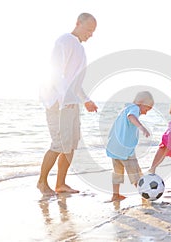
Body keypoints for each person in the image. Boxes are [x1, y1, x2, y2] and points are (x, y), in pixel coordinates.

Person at [37, 13, 98, 196]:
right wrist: (63, 99)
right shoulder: (64, 41)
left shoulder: (80, 48)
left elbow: (75, 82)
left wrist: (86, 100)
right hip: (58, 103)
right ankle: (41, 182)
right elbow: (56, 72)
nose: (90, 34)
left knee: (70, 145)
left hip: (71, 103)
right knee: (58, 144)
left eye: (93, 31)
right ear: (78, 23)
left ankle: (61, 184)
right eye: (88, 29)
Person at [106, 91, 154, 201]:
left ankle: (115, 195)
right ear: (141, 103)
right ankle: (144, 195)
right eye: (147, 110)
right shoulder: (134, 109)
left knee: (117, 173)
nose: (146, 113)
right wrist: (141, 127)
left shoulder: (125, 109)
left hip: (115, 149)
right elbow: (131, 116)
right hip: (125, 150)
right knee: (136, 174)